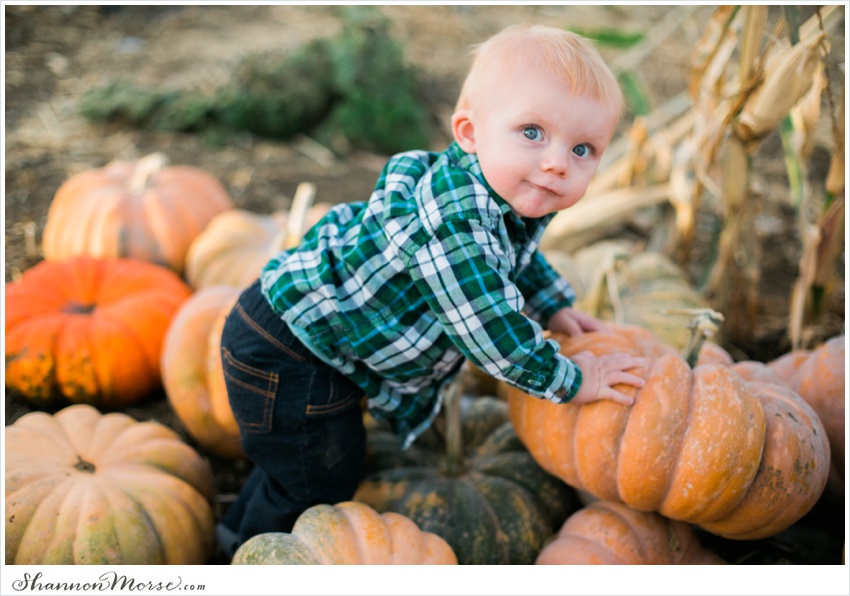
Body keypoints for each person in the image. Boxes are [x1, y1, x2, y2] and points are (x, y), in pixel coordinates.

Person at [215, 23, 647, 559]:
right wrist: (573, 381)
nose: (558, 161)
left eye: (583, 148)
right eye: (533, 132)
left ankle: (232, 530)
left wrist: (553, 305)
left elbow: (514, 261)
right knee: (315, 478)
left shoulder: (503, 191)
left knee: (297, 462)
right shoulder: (452, 224)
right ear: (470, 132)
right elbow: (491, 334)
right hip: (289, 349)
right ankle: (242, 558)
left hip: (309, 341)